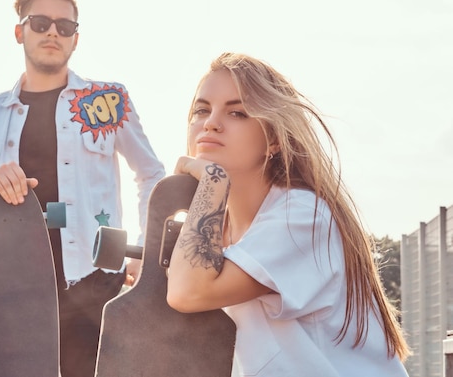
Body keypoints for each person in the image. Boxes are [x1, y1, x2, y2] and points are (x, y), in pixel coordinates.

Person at [0, 0, 165, 377]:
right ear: (19, 31)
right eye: (40, 22)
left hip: (96, 281)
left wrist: (145, 253)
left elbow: (150, 173)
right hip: (13, 288)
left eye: (65, 27)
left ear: (76, 39)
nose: (52, 33)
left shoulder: (108, 101)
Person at [166, 52, 410, 376]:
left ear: (274, 141)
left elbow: (188, 293)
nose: (210, 122)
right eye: (201, 110)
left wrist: (211, 182)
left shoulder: (302, 217)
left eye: (238, 112)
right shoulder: (221, 232)